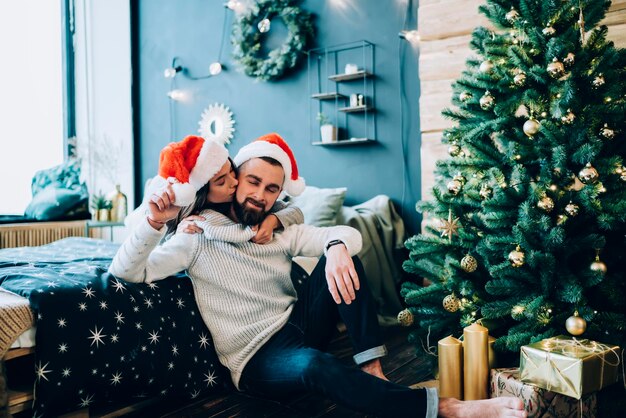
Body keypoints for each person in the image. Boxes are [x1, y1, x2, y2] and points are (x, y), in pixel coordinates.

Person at [109, 133, 526, 418]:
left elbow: (346, 233)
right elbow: (126, 271)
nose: (260, 194)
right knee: (314, 366)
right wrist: (153, 221)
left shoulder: (278, 226)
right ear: (233, 180)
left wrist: (336, 247)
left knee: (341, 255)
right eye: (252, 181)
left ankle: (372, 371)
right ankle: (447, 409)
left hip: (299, 327)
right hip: (257, 360)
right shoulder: (194, 234)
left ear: (280, 193)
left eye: (272, 189)